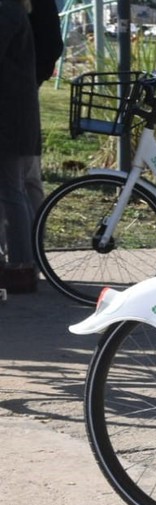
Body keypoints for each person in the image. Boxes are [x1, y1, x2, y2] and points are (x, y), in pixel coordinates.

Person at [0, 0, 57, 294]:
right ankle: (21, 263)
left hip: (9, 116)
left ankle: (21, 265)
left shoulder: (7, 9)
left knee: (11, 190)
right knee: (14, 189)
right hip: (15, 113)